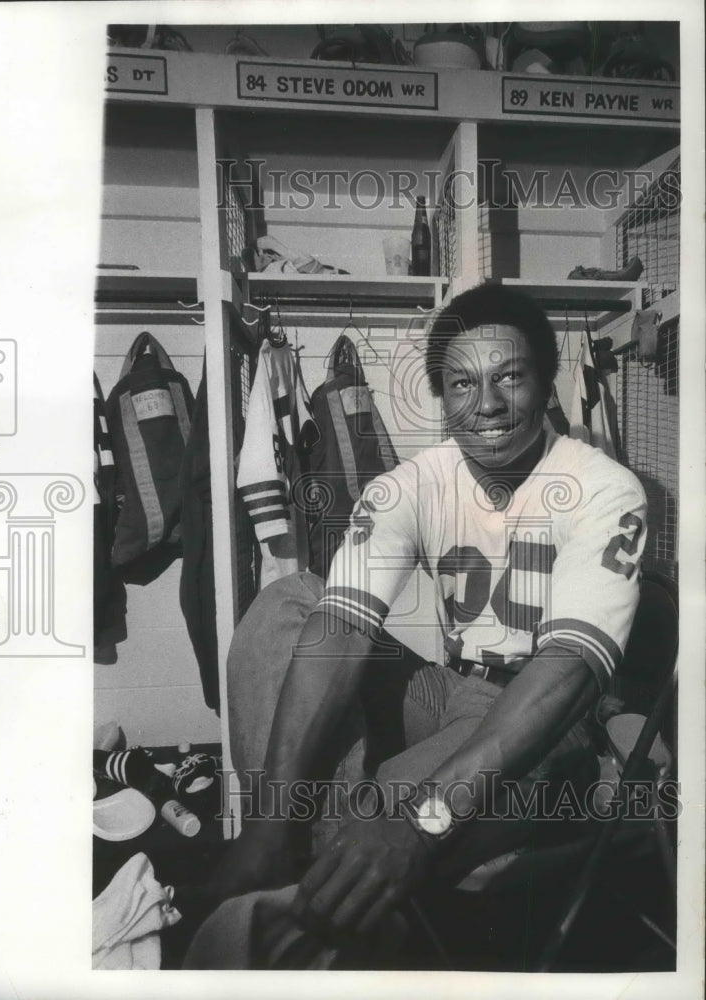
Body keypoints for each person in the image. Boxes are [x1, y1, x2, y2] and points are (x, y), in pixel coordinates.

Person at [204, 284, 647, 951]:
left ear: (545, 383)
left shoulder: (603, 486)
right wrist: (268, 814)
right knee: (287, 600)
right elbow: (343, 630)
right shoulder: (412, 483)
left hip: (547, 716)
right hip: (448, 688)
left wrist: (422, 820)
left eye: (509, 378)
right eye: (463, 383)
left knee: (388, 816)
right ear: (441, 395)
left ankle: (330, 885)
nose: (488, 404)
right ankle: (302, 847)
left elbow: (567, 671)